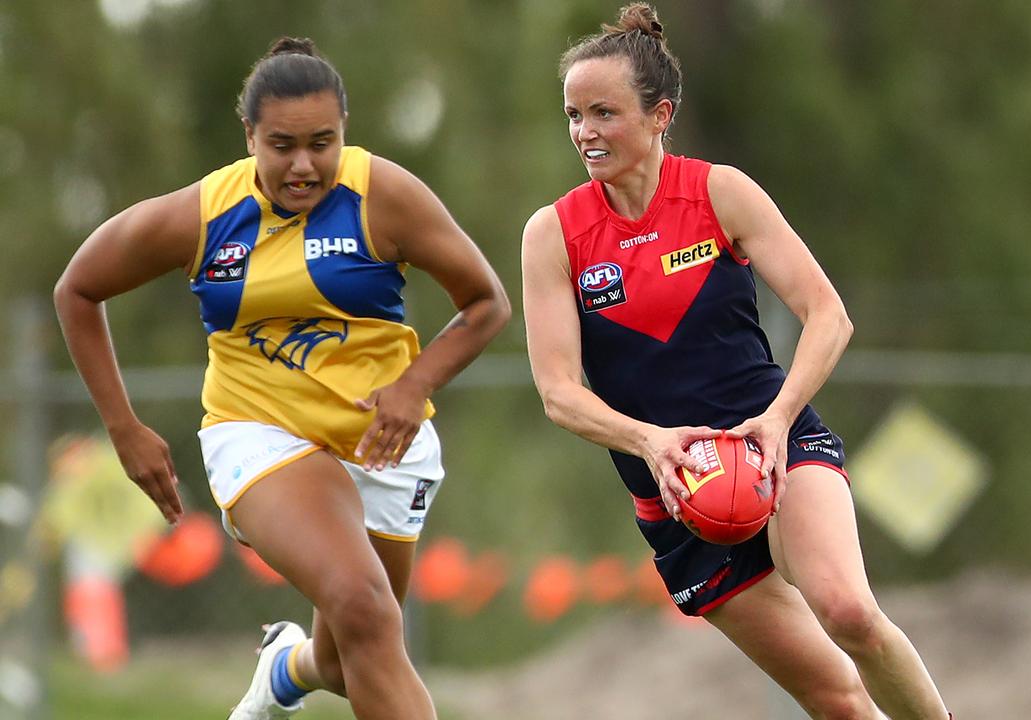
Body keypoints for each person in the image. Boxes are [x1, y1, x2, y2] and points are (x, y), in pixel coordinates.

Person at [53, 37, 510, 720]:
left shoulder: (383, 196)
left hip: (383, 446)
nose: (303, 166)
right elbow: (78, 289)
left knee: (348, 650)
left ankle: (284, 668)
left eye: (321, 143)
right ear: (250, 138)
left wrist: (415, 386)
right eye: (282, 145)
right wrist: (124, 428)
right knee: (365, 607)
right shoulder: (204, 214)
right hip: (260, 434)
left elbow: (486, 304)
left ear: (345, 134)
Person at [522, 5, 951, 719]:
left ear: (660, 115)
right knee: (837, 699)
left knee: (850, 613)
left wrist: (779, 421)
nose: (585, 132)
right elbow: (558, 392)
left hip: (776, 449)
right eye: (574, 115)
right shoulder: (554, 235)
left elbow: (828, 316)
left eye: (605, 112)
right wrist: (652, 443)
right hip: (675, 498)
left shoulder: (720, 192)